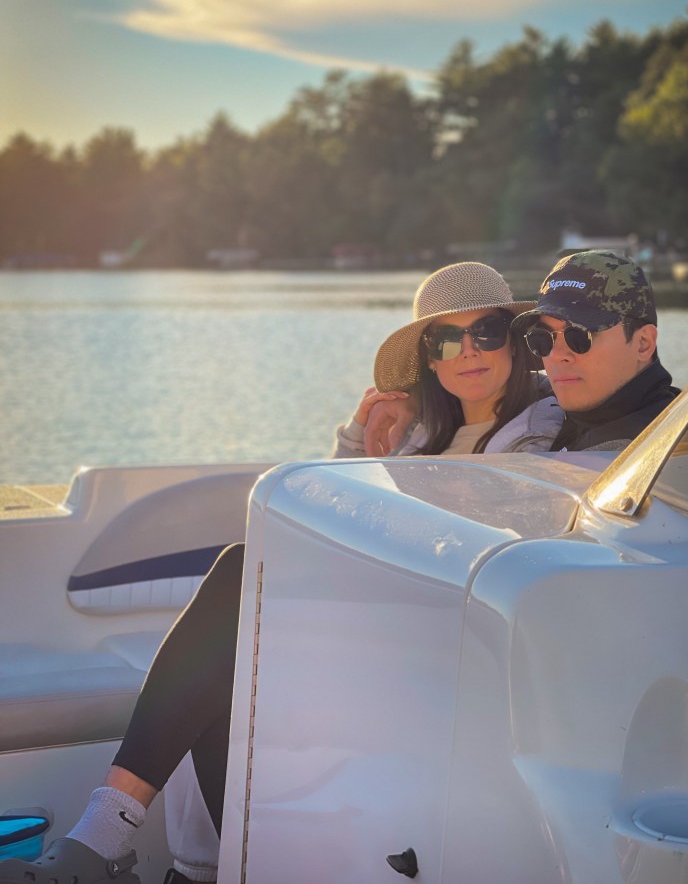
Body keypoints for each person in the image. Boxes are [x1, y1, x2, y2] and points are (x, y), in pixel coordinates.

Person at [0, 262, 559, 884]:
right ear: (428, 357)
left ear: (514, 340)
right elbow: (326, 530)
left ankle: (104, 839)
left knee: (239, 582)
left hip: (441, 642)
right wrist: (359, 447)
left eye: (486, 332)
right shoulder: (421, 433)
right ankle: (137, 851)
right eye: (446, 340)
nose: (468, 351)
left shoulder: (540, 438)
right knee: (232, 656)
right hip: (383, 625)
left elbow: (475, 547)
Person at [365, 249, 678, 458]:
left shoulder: (656, 450)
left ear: (643, 343)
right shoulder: (581, 421)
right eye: (542, 339)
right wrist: (417, 402)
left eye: (580, 336)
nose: (557, 355)